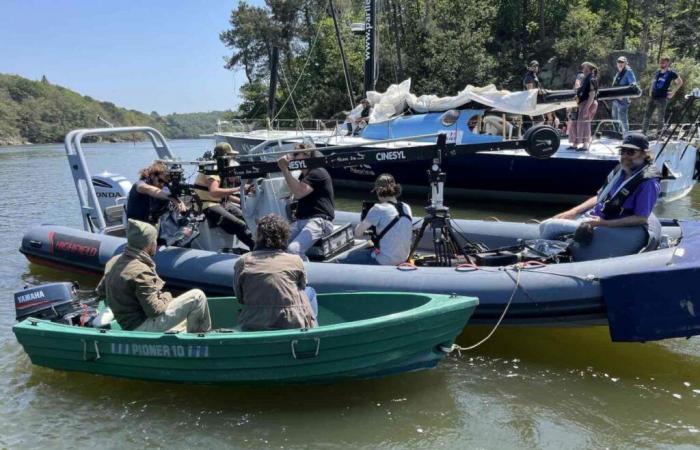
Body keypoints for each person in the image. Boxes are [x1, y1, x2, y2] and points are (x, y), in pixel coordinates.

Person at [539, 132, 661, 257]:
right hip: (594, 217)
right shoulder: (621, 171)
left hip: (607, 224)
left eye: (630, 152)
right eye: (622, 151)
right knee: (547, 223)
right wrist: (573, 212)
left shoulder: (648, 183)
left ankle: (541, 259)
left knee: (551, 227)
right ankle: (550, 252)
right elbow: (599, 197)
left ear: (644, 153)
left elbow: (641, 218)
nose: (625, 156)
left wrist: (603, 223)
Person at [96, 219, 211, 332]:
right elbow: (155, 310)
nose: (156, 243)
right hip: (140, 328)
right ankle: (199, 343)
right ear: (148, 244)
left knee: (187, 315)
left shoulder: (114, 261)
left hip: (127, 323)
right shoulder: (140, 270)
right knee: (197, 296)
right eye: (155, 240)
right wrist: (168, 296)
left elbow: (101, 291)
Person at [233, 214, 317, 331]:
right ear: (285, 236)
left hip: (253, 322)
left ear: (258, 236)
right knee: (309, 291)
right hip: (291, 322)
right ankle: (314, 332)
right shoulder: (295, 260)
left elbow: (240, 297)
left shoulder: (243, 261)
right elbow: (301, 287)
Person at [337, 174, 413, 266]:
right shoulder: (406, 207)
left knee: (340, 260)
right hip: (403, 258)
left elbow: (357, 233)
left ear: (378, 191)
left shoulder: (378, 208)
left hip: (384, 261)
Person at [193, 142, 255, 250]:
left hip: (219, 202)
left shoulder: (220, 168)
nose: (232, 158)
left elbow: (222, 194)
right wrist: (240, 189)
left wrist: (242, 202)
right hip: (207, 205)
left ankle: (255, 247)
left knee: (246, 219)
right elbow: (214, 192)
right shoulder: (213, 168)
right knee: (239, 225)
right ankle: (256, 249)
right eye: (230, 155)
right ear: (225, 156)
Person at [277, 143, 335, 257]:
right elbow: (291, 192)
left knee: (293, 250)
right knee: (276, 247)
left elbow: (299, 193)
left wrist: (284, 169)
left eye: (295, 154)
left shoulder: (318, 172)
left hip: (319, 221)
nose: (292, 157)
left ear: (307, 155)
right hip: (301, 221)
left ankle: (304, 274)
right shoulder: (302, 177)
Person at [642, 56, 683, 134]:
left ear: (668, 63)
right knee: (647, 115)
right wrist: (650, 91)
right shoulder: (657, 71)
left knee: (660, 118)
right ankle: (643, 132)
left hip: (662, 98)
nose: (661, 63)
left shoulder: (671, 73)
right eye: (660, 61)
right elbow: (653, 82)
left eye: (663, 62)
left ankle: (659, 135)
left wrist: (673, 92)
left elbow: (680, 82)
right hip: (652, 97)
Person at [571, 62, 599, 151]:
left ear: (589, 69)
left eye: (585, 68)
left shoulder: (591, 79)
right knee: (580, 123)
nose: (583, 69)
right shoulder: (586, 79)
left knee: (585, 123)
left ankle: (586, 145)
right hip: (583, 103)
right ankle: (578, 144)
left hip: (588, 103)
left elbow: (592, 94)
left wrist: (587, 108)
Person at [611, 56, 637, 134]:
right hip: (615, 99)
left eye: (622, 62)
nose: (620, 63)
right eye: (619, 62)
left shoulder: (628, 71)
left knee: (623, 119)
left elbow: (633, 84)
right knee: (614, 118)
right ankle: (616, 134)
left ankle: (626, 135)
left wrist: (624, 95)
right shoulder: (618, 73)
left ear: (625, 63)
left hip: (623, 100)